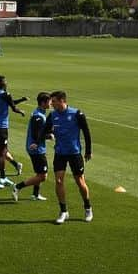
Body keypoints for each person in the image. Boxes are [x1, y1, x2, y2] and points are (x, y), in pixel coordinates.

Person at [44, 90, 93, 224]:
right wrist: (49, 135)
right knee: (59, 181)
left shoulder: (77, 114)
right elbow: (45, 131)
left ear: (61, 101)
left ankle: (88, 207)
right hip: (60, 153)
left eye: (53, 101)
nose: (51, 104)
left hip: (74, 153)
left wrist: (88, 150)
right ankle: (64, 211)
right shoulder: (52, 116)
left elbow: (86, 132)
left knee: (80, 182)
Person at [0, 75, 26, 188]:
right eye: (6, 82)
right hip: (1, 128)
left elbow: (9, 102)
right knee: (1, 154)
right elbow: (13, 107)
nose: (7, 83)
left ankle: (3, 177)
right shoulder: (5, 94)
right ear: (3, 84)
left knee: (2, 153)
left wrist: (22, 100)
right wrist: (21, 111)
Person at [12, 92, 52, 202]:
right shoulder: (38, 116)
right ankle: (17, 187)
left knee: (39, 173)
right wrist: (49, 136)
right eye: (49, 102)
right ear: (43, 103)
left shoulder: (40, 113)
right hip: (36, 149)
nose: (51, 103)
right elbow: (36, 135)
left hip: (37, 148)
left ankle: (35, 194)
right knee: (43, 176)